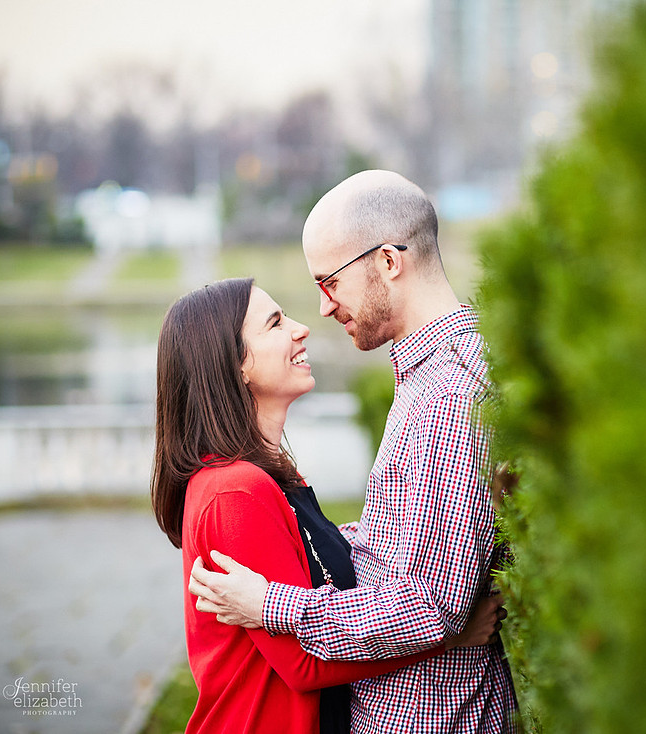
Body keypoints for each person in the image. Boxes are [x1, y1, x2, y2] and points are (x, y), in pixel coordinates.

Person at [188, 170, 519, 732]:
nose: (321, 309)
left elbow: (431, 605)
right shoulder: (430, 375)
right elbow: (405, 543)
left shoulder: (448, 396)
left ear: (389, 262)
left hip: (427, 717)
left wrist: (270, 604)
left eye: (330, 282)